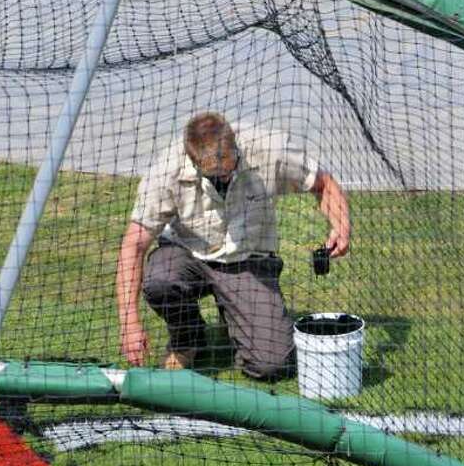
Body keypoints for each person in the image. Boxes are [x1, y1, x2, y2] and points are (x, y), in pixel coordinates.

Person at [116, 112, 350, 379]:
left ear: (234, 144)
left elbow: (323, 183)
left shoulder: (272, 148)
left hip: (246, 258)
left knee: (272, 365)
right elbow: (133, 246)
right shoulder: (165, 171)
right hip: (186, 254)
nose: (225, 178)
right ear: (193, 160)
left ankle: (236, 311)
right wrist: (129, 324)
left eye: (229, 167)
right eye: (215, 174)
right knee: (161, 282)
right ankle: (187, 339)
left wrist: (340, 227)